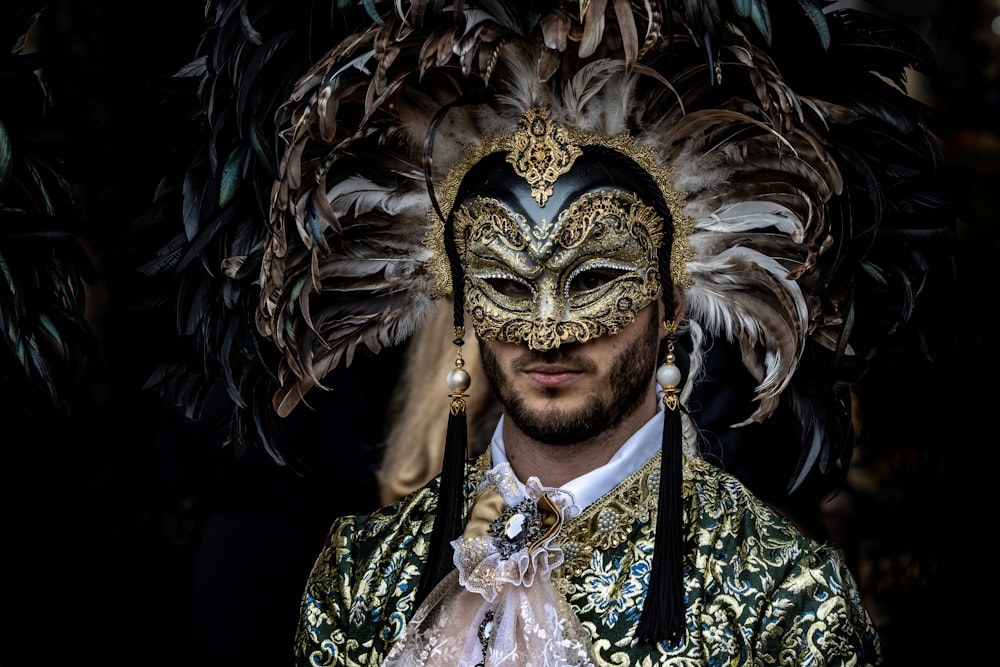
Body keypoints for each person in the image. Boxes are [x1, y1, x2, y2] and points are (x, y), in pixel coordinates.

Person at [245, 1, 952, 665]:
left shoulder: (783, 601)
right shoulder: (363, 576)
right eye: (508, 284)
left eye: (592, 281)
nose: (547, 332)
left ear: (669, 305)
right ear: (463, 306)